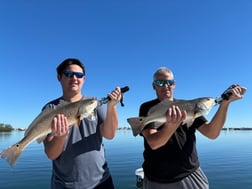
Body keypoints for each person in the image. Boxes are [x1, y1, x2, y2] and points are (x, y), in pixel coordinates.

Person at [139, 67, 245, 189]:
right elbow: (154, 143)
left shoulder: (190, 106)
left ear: (174, 84)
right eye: (160, 82)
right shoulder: (147, 108)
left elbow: (212, 133)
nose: (165, 86)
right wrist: (171, 126)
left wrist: (225, 104)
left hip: (190, 175)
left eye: (169, 82)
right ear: (154, 86)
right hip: (156, 179)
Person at [43, 58, 122, 189]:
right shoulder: (50, 109)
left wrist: (112, 106)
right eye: (69, 74)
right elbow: (51, 154)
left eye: (79, 75)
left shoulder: (94, 102)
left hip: (102, 182)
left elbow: (109, 135)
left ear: (83, 79)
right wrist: (61, 136)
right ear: (59, 77)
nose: (74, 78)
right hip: (64, 186)